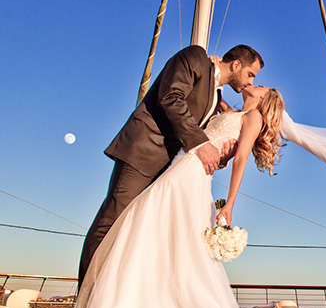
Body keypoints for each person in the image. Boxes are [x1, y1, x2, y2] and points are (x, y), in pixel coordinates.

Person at [66, 87, 285, 308]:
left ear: (264, 99)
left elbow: (240, 159)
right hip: (181, 165)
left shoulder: (253, 118)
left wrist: (230, 203)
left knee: (152, 219)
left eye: (261, 86)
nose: (255, 83)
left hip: (192, 174)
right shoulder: (233, 111)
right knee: (160, 231)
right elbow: (214, 95)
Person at [77, 44, 263, 288]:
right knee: (111, 221)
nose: (250, 82)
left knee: (138, 232)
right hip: (143, 152)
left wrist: (221, 155)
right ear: (236, 64)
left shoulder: (216, 95)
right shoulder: (195, 57)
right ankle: (86, 297)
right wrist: (201, 144)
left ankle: (116, 294)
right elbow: (171, 98)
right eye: (251, 74)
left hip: (169, 169)